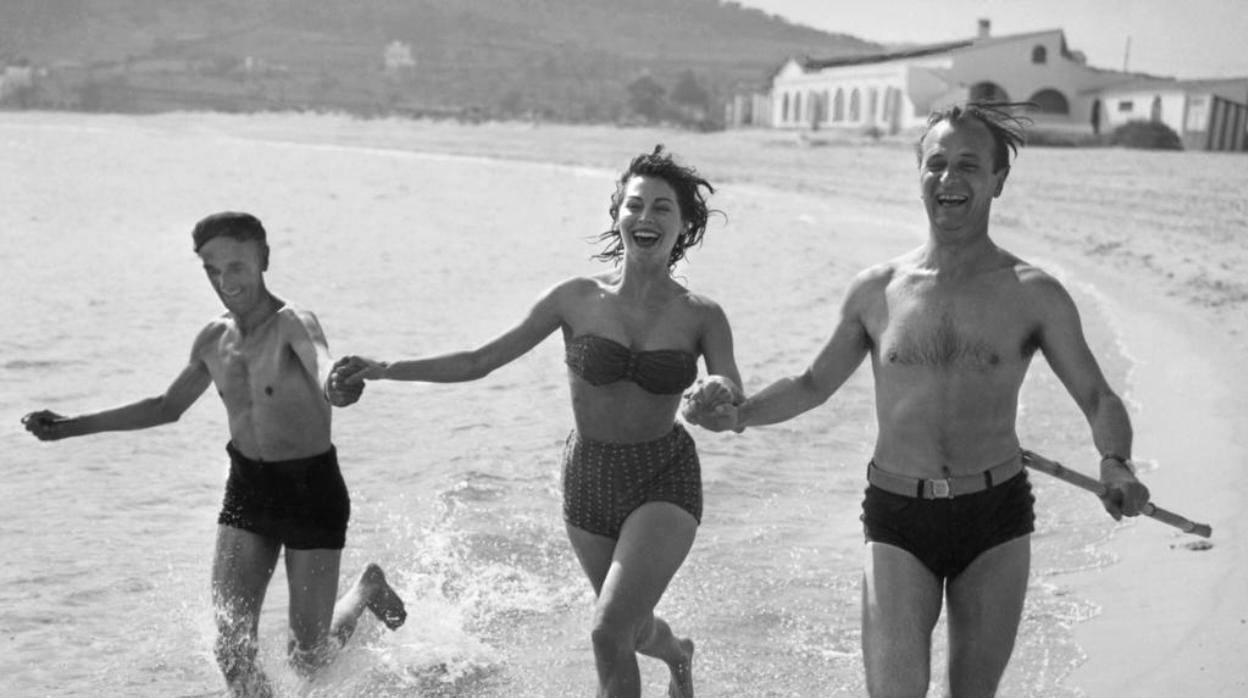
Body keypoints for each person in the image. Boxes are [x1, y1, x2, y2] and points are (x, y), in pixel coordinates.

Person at [684, 103, 1152, 697]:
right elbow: (811, 384)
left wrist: (1116, 461)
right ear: (919, 175)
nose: (948, 179)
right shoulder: (877, 289)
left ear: (997, 181)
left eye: (968, 166)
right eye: (936, 164)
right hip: (898, 514)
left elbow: (1096, 395)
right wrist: (742, 415)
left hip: (995, 515)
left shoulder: (1033, 294)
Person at [331, 146, 743, 698]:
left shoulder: (702, 314)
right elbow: (481, 360)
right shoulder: (574, 298)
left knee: (606, 631)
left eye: (662, 209)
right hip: (590, 477)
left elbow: (731, 395)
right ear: (617, 214)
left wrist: (717, 393)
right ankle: (679, 654)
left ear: (684, 223)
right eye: (635, 205)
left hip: (663, 475)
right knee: (630, 627)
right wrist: (386, 369)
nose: (646, 219)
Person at [22, 212, 407, 698]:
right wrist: (71, 427)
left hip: (312, 492)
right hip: (248, 491)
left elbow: (322, 365)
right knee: (231, 649)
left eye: (237, 266)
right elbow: (166, 407)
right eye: (211, 270)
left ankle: (366, 590)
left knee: (308, 660)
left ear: (262, 259)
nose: (225, 281)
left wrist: (337, 385)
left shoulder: (293, 323)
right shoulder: (212, 338)